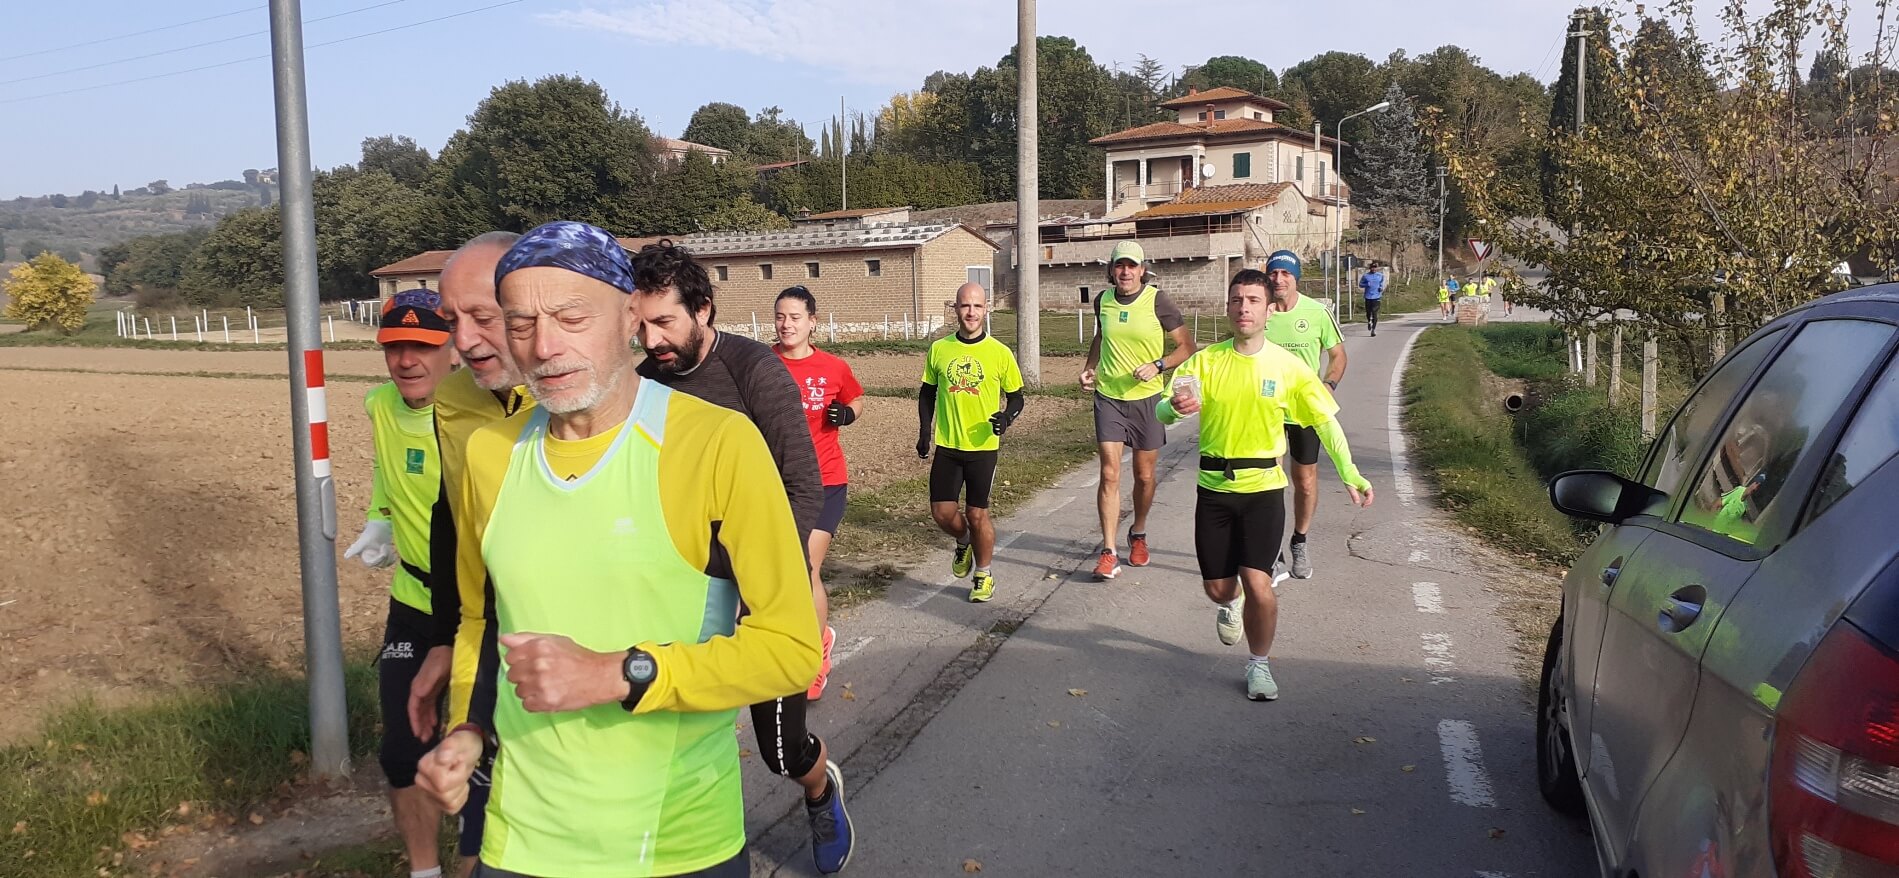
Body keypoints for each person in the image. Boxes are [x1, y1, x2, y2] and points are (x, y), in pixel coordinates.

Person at [416, 221, 825, 878]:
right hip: (523, 841)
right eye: (519, 324)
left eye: (571, 317)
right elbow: (482, 619)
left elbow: (790, 648)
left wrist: (619, 673)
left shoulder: (716, 443)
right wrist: (466, 732)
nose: (544, 346)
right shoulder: (489, 454)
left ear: (629, 316)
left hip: (674, 841)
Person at [626, 241, 851, 874]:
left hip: (759, 587)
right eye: (640, 325)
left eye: (664, 321)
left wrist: (781, 581)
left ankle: (820, 790)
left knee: (780, 748)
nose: (652, 340)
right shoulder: (644, 383)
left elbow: (803, 483)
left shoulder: (754, 370)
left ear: (703, 308)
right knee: (665, 728)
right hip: (679, 590)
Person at [1158, 269, 1374, 700]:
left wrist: (1351, 473)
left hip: (1263, 490)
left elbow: (1325, 423)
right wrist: (1177, 408)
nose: (1244, 308)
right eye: (1237, 300)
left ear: (1268, 309)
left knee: (1258, 581)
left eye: (1253, 300)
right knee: (1218, 587)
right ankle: (1229, 603)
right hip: (1214, 489)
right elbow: (1164, 410)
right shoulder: (1207, 361)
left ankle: (1259, 665)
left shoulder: (1289, 367)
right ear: (1227, 308)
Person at [403, 232, 536, 878]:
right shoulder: (452, 403)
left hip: (590, 665)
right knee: (479, 844)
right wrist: (439, 638)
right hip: (489, 645)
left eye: (482, 317)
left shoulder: (587, 396)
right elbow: (452, 525)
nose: (464, 340)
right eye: (451, 321)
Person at [344, 288, 459, 878]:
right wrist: (380, 519)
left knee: (487, 757)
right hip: (413, 601)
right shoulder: (379, 405)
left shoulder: (484, 414)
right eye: (394, 347)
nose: (407, 360)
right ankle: (424, 872)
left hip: (479, 613)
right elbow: (384, 469)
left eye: (423, 346)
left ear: (454, 348)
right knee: (400, 749)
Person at [1079, 241, 1194, 580]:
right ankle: (1108, 551)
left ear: (1143, 270)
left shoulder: (1157, 300)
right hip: (1109, 397)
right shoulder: (1103, 301)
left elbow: (1186, 346)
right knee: (1110, 473)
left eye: (1132, 266)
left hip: (1147, 399)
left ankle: (1139, 532)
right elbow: (1101, 337)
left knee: (1144, 477)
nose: (1125, 272)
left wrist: (1158, 365)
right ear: (1112, 271)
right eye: (1120, 266)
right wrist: (1090, 367)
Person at [773, 285, 866, 701]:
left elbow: (857, 398)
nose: (786, 324)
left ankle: (816, 655)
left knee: (805, 566)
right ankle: (787, 642)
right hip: (777, 482)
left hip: (827, 480)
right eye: (780, 316)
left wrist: (845, 413)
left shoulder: (833, 367)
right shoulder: (763, 363)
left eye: (795, 317)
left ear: (813, 321)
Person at [918, 282, 1025, 603]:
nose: (971, 312)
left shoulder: (999, 353)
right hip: (949, 446)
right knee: (941, 512)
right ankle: (963, 540)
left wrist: (1007, 418)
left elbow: (1017, 398)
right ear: (955, 309)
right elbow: (927, 393)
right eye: (965, 306)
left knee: (978, 514)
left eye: (977, 306)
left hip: (983, 448)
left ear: (986, 309)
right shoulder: (939, 349)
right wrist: (925, 431)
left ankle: (983, 575)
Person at [1260, 251, 1346, 580]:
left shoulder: (1316, 312)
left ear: (1295, 277)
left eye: (1285, 273)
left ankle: (1299, 540)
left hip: (1304, 410)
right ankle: (1271, 548)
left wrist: (1329, 385)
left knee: (1305, 482)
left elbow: (1338, 356)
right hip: (1266, 409)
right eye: (1274, 273)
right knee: (1269, 480)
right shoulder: (1259, 311)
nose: (1279, 279)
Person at [1358, 262, 1386, 336]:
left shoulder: (1380, 276)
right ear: (1370, 268)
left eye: (1375, 267)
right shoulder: (1366, 276)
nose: (1374, 269)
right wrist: (1366, 284)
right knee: (1368, 313)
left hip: (1377, 297)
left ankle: (1373, 329)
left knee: (1374, 313)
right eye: (1372, 267)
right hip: (1368, 297)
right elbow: (1360, 285)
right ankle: (1369, 321)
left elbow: (1382, 283)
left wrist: (1381, 288)